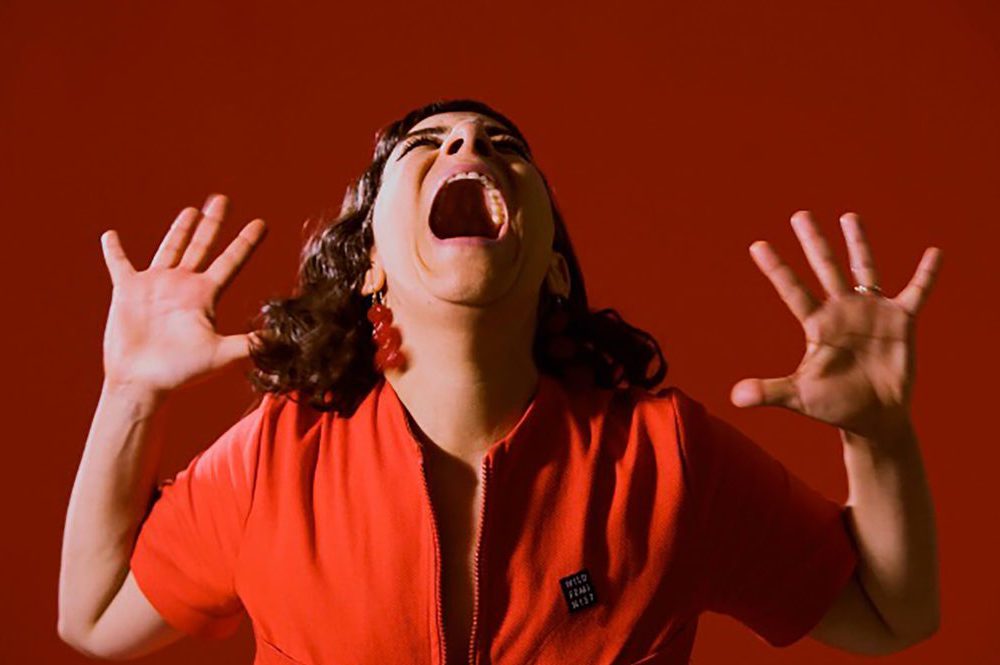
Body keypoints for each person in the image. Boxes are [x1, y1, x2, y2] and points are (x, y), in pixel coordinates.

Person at [59, 99, 941, 664]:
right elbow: (92, 616)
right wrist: (130, 393)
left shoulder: (667, 461)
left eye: (502, 145)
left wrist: (880, 435)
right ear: (369, 265)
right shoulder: (276, 460)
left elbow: (888, 612)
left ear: (552, 264)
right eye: (427, 144)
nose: (468, 144)